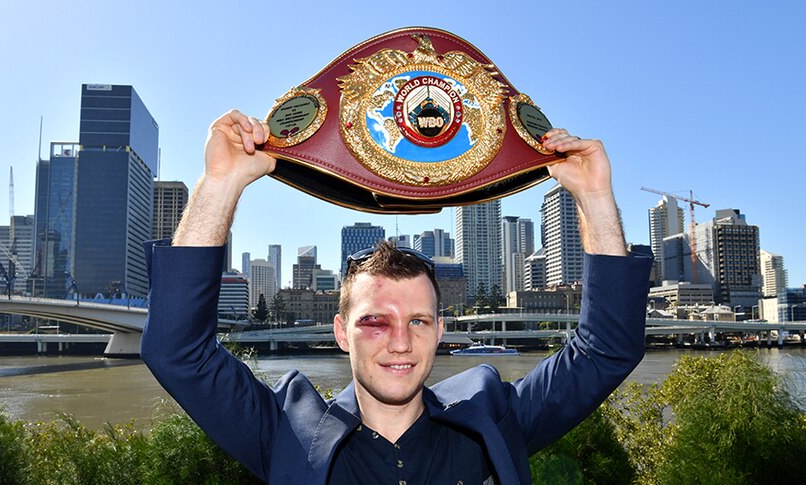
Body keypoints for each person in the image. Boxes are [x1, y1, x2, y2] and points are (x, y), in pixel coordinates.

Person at [141, 109, 652, 484]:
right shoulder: (286, 432)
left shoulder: (494, 416)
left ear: (441, 330)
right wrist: (219, 183)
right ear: (342, 332)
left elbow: (607, 348)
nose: (400, 342)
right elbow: (177, 351)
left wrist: (594, 196)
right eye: (374, 322)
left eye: (419, 321)